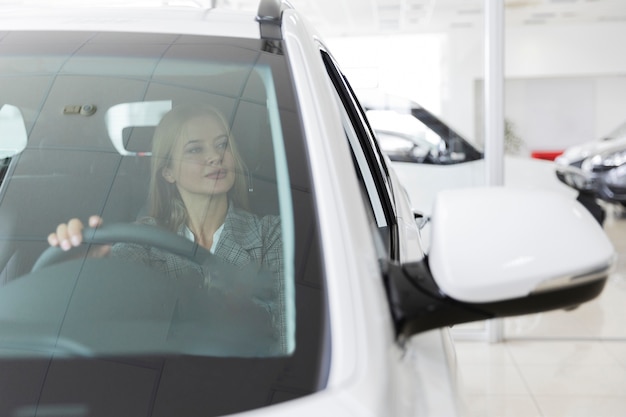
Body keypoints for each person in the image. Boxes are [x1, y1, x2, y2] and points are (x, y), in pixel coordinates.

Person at [47, 104, 285, 355]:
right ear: (168, 172)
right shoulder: (143, 240)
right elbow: (112, 319)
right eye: (195, 149)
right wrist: (88, 275)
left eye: (222, 144)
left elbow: (286, 332)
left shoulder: (270, 234)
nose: (216, 156)